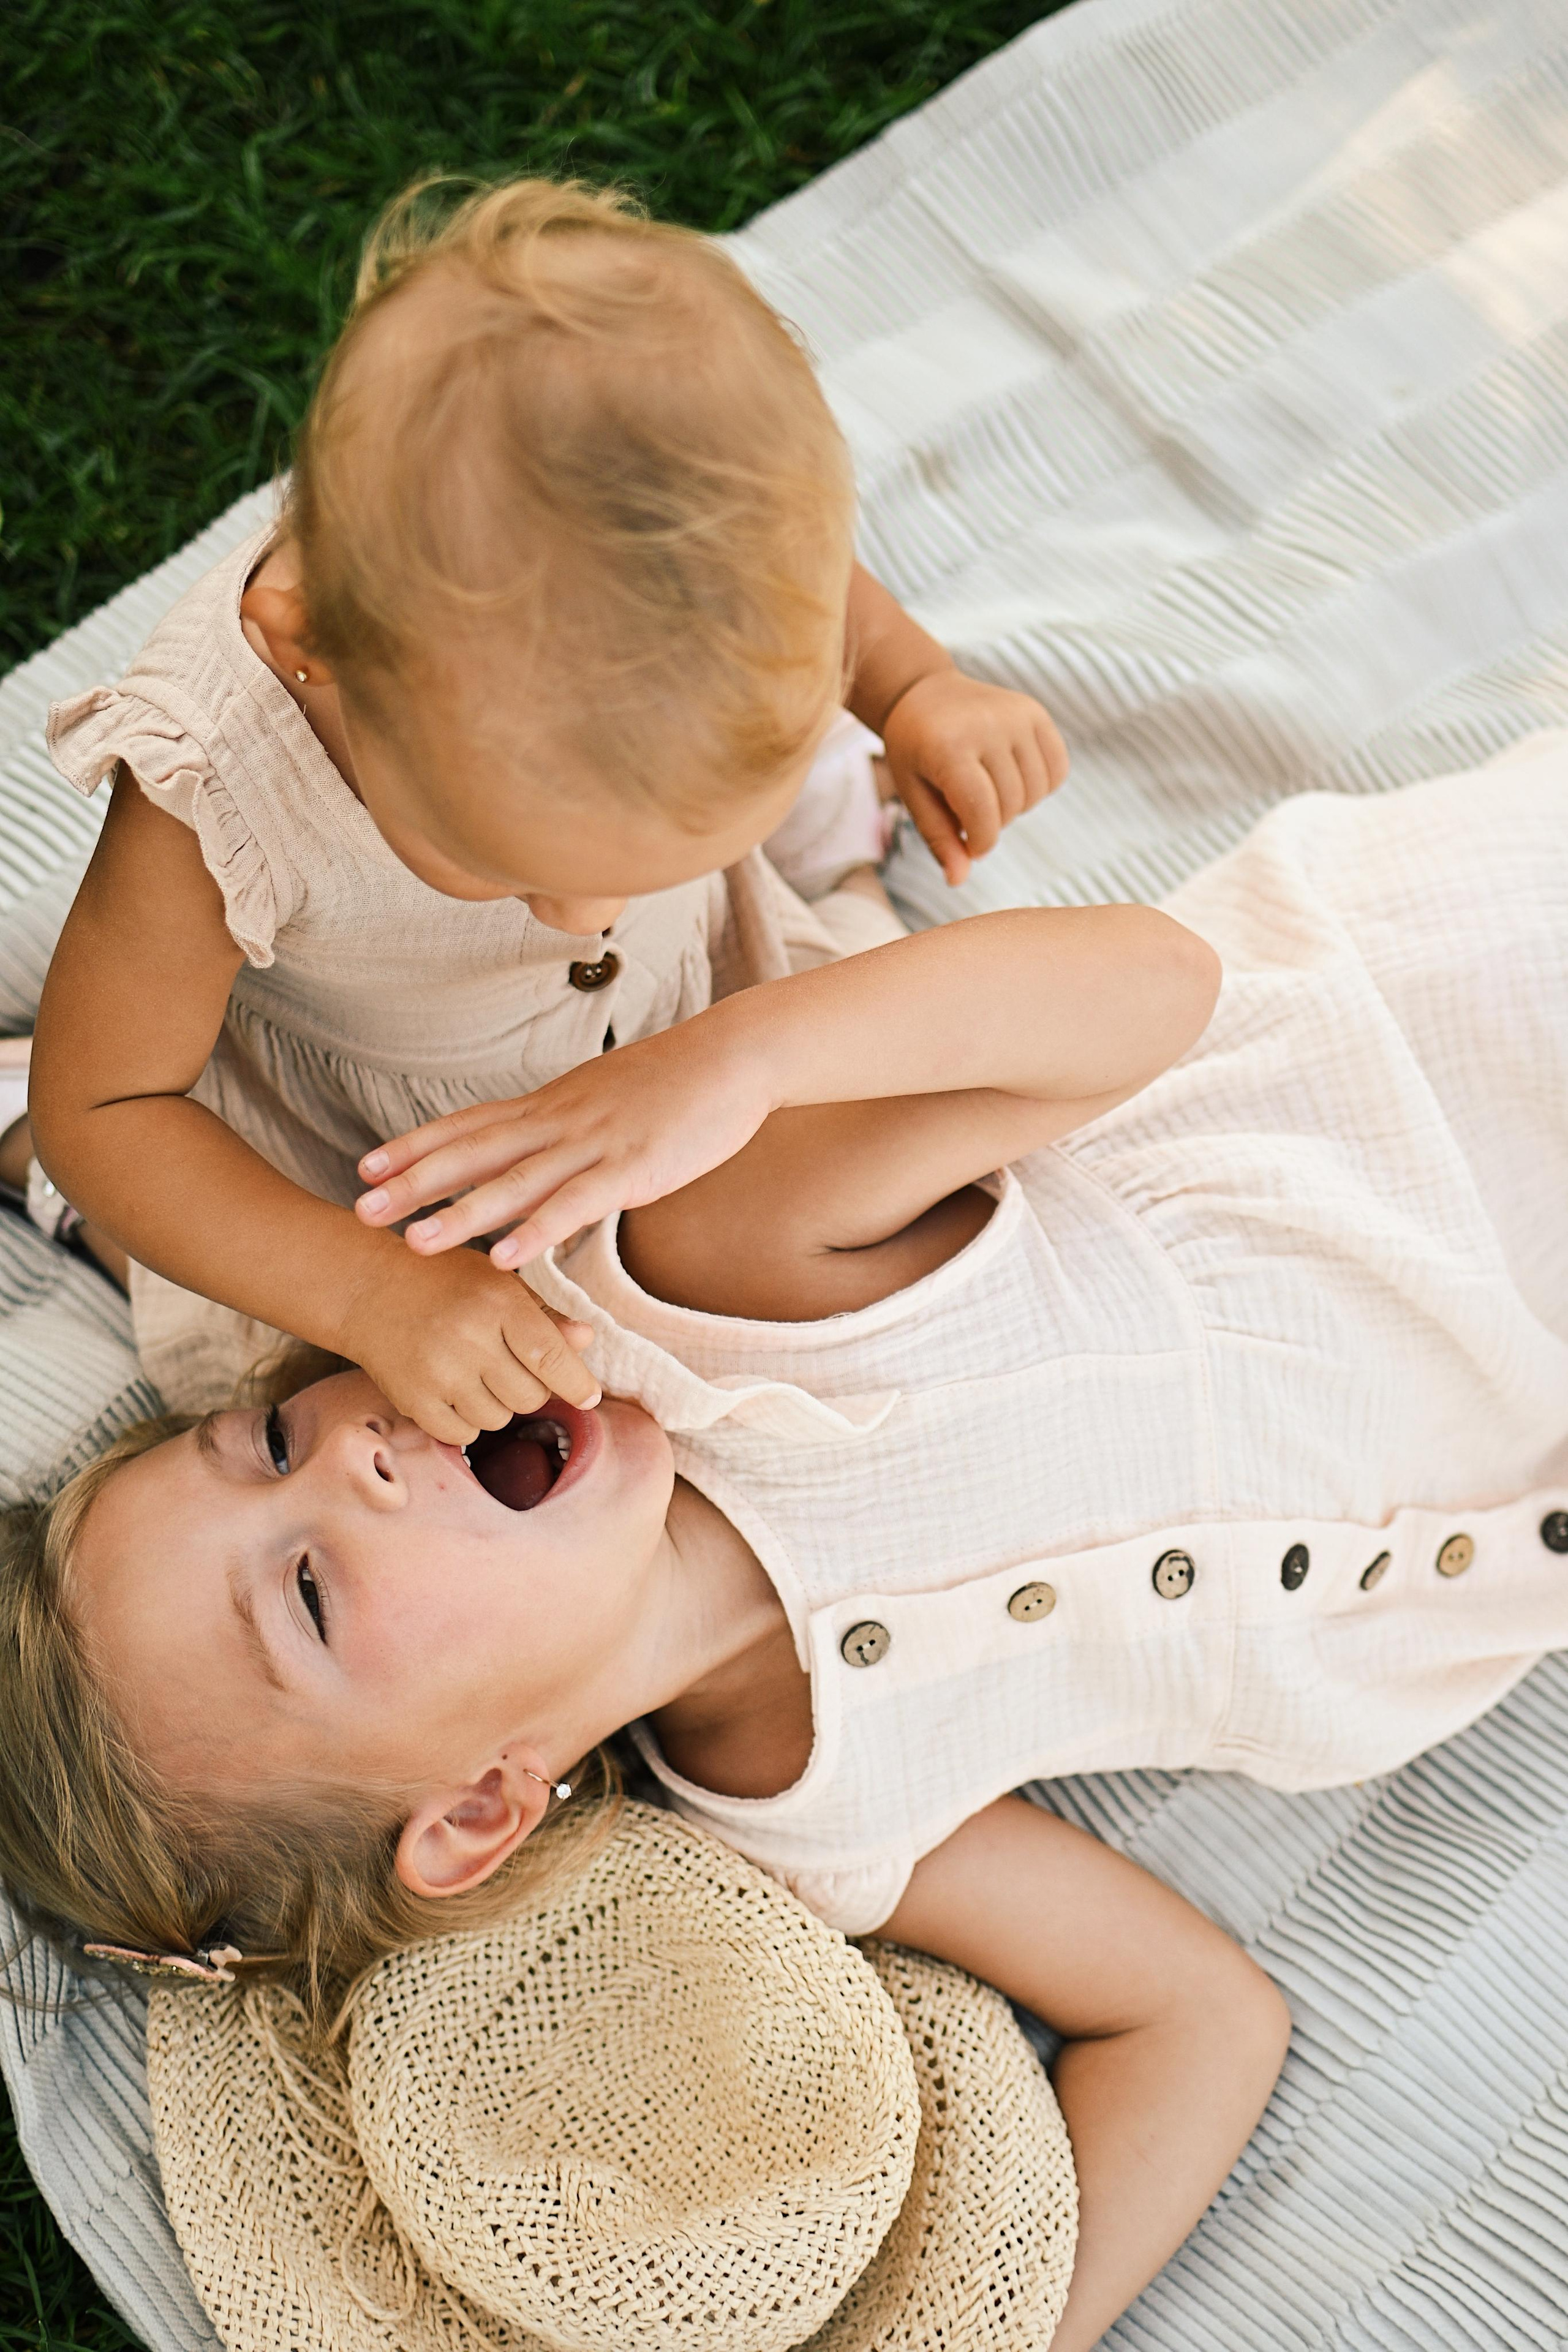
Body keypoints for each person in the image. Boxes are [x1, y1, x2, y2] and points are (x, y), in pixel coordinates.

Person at [7, 747, 1568, 2344]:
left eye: (269, 1440)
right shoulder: (807, 1825)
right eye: (309, 1592)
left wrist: (741, 1064)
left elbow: (1152, 989)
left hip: (1474, 1041)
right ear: (477, 1807)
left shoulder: (703, 1275)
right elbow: (1193, 2020)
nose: (348, 1451)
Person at [26, 175, 1068, 1433]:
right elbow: (107, 1109)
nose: (586, 917)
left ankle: (800, 835)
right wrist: (369, 1295)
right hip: (377, 1174)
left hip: (678, 1019)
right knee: (336, 1377)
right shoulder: (216, 789)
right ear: (315, 648)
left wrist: (915, 690)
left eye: (645, 862)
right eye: (508, 866)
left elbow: (804, 581)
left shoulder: (689, 564)